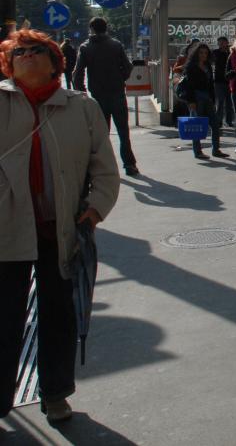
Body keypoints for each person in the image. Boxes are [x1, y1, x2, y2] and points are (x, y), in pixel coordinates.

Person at [0, 29, 120, 423]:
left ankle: (55, 393)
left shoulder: (81, 108)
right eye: (20, 51)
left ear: (55, 61)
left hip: (62, 229)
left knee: (59, 314)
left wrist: (93, 212)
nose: (28, 56)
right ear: (9, 62)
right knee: (4, 317)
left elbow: (104, 169)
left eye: (38, 51)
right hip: (5, 233)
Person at [73, 17, 139, 176]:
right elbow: (128, 67)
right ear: (106, 28)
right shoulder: (116, 45)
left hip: (97, 95)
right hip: (117, 93)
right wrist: (120, 78)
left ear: (92, 29)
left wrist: (82, 92)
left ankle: (103, 167)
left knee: (101, 134)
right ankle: (129, 164)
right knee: (123, 131)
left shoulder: (85, 48)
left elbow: (77, 74)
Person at [178, 43, 229, 160]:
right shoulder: (191, 67)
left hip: (208, 98)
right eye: (201, 52)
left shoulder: (208, 66)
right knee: (196, 125)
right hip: (196, 98)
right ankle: (198, 151)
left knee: (215, 124)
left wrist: (213, 98)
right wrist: (191, 101)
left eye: (205, 53)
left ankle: (216, 149)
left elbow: (211, 84)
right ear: (196, 53)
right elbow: (189, 86)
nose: (203, 55)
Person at [211, 36, 234, 127]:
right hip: (219, 80)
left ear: (226, 42)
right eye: (219, 43)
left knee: (229, 102)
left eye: (222, 42)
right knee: (220, 101)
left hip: (229, 80)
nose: (220, 44)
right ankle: (219, 120)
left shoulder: (231, 52)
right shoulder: (215, 53)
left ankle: (229, 120)